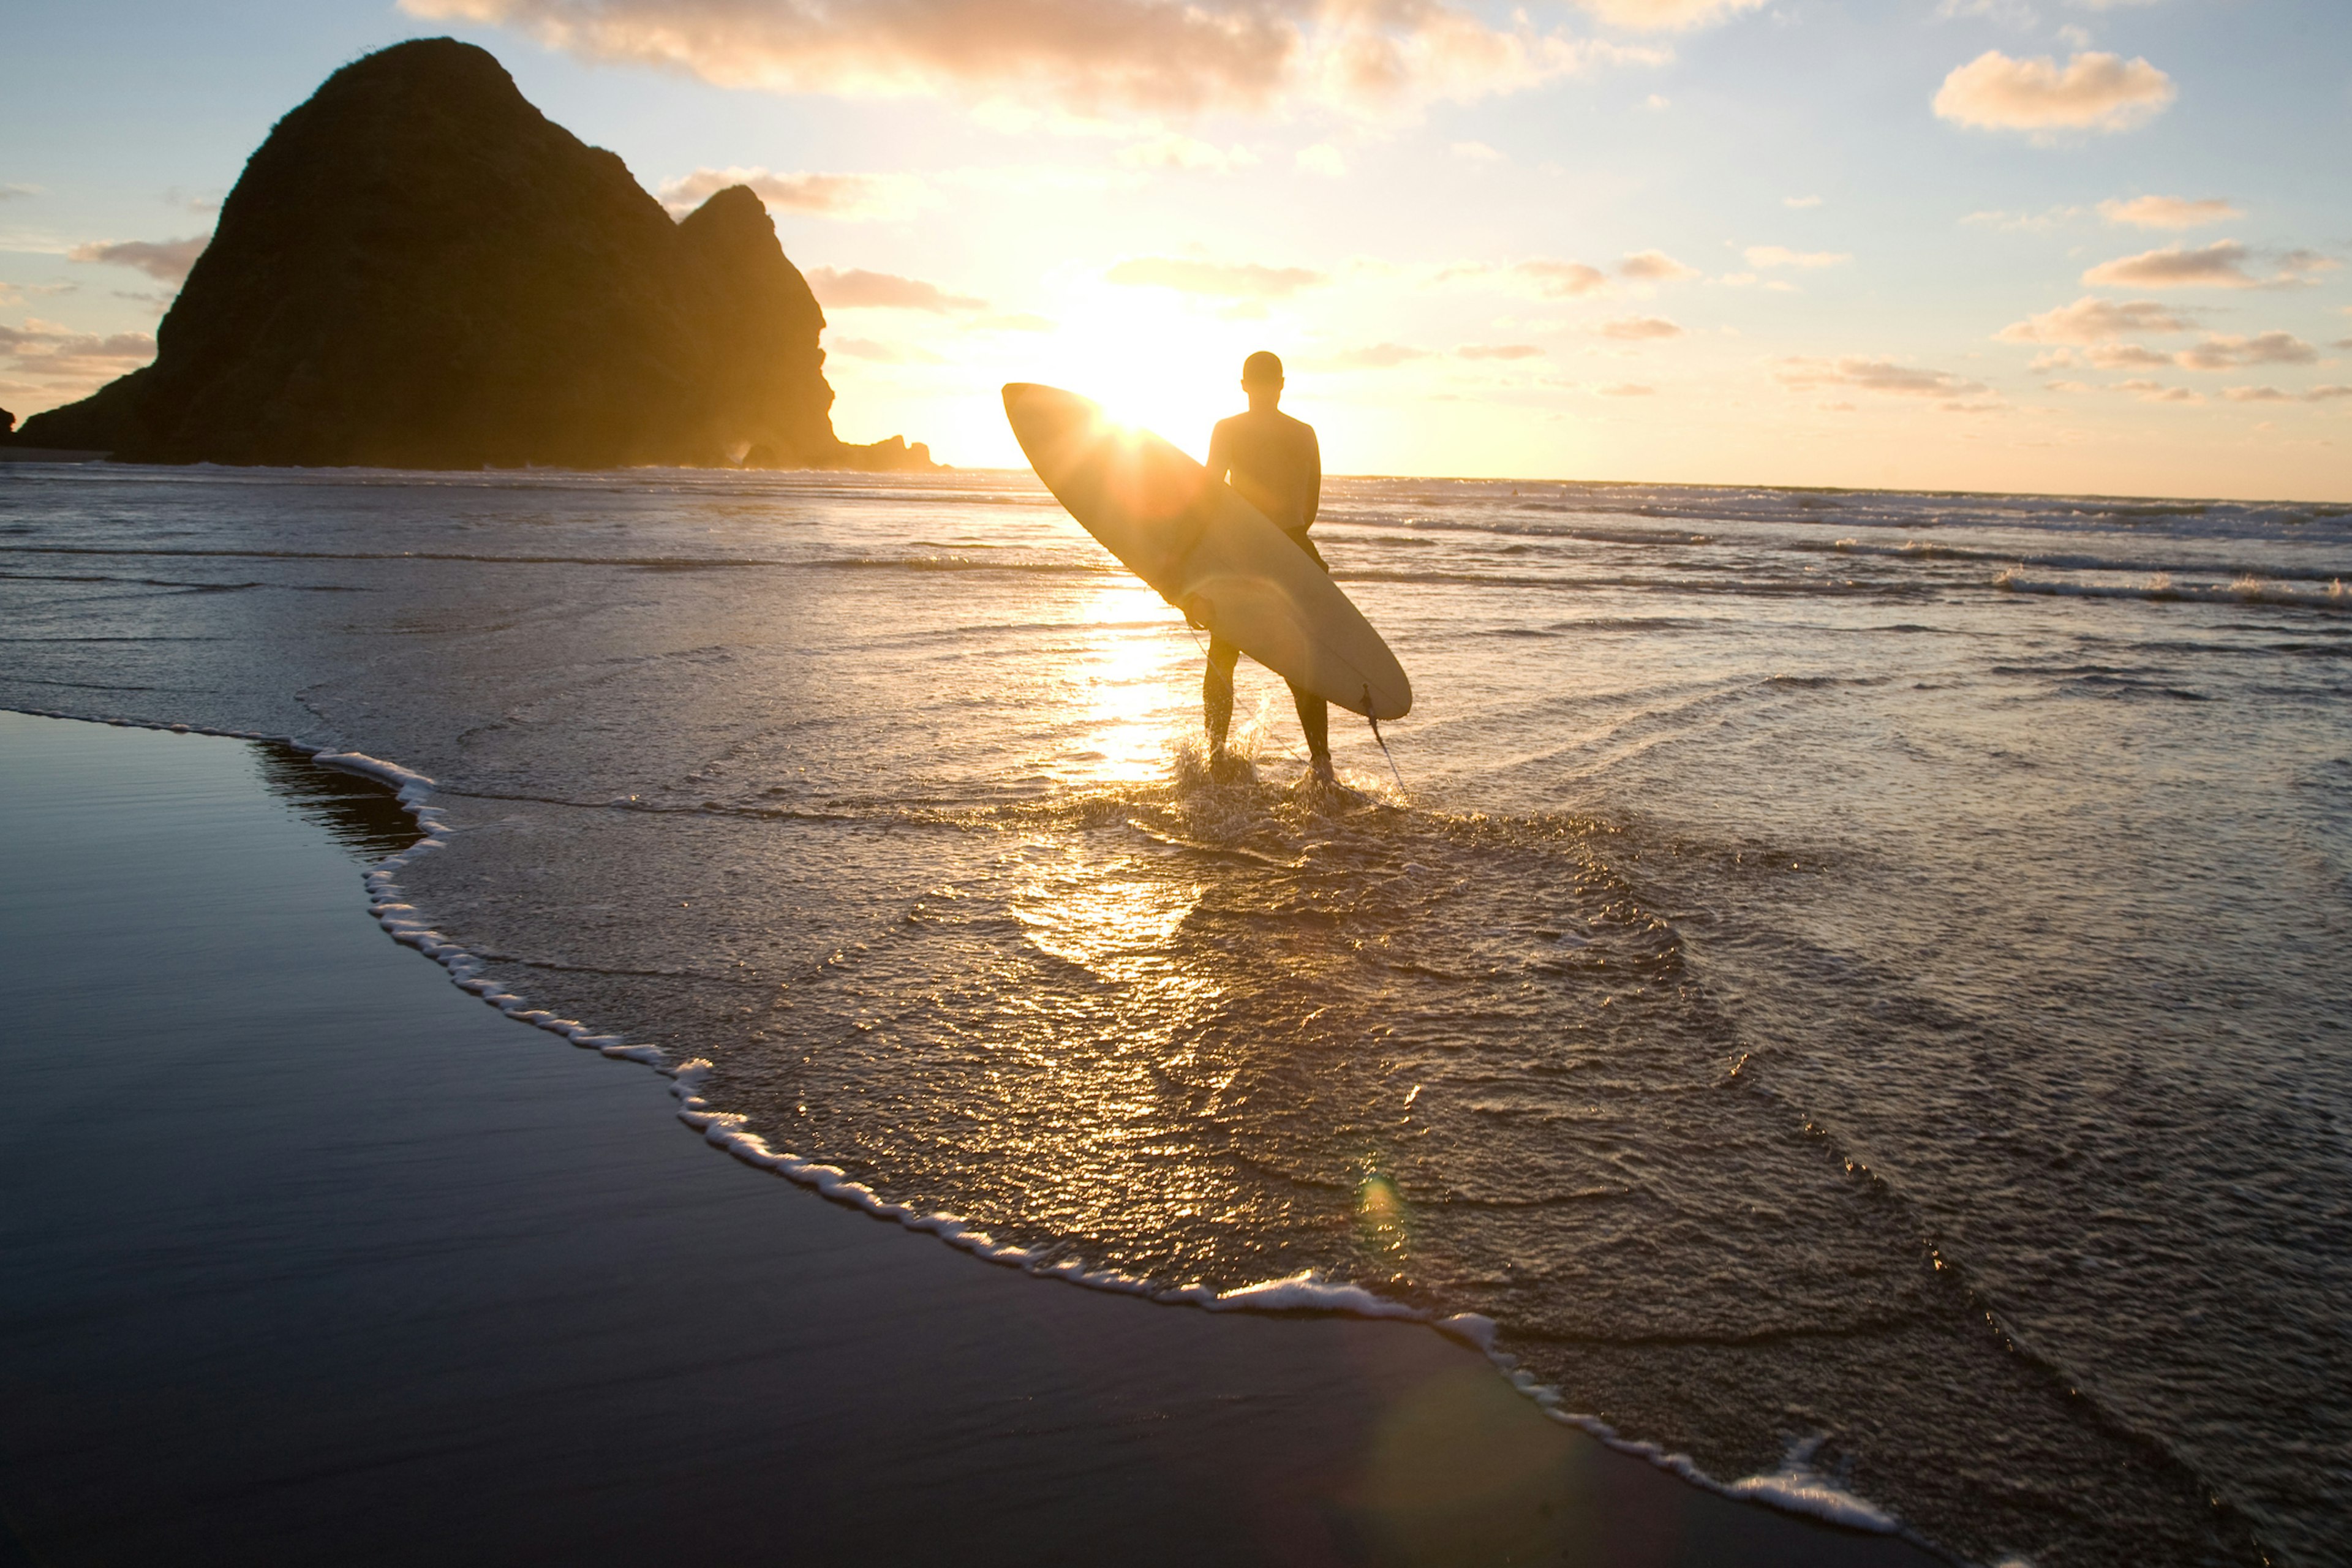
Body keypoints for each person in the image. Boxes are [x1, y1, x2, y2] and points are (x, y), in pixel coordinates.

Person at [1203, 351, 1333, 783]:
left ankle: (1215, 757)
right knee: (1302, 663)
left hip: (1243, 548)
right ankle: (1322, 765)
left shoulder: (1227, 430)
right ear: (1281, 384)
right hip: (1295, 550)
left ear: (1243, 385)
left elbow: (1208, 497)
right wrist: (1289, 541)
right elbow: (1310, 506)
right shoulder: (1305, 434)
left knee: (1224, 654)